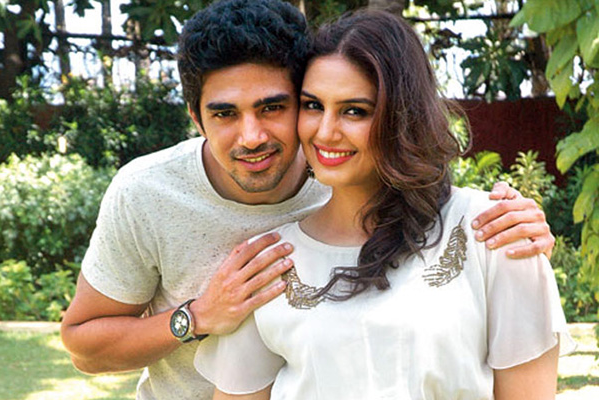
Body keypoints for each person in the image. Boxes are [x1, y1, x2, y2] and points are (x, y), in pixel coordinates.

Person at [60, 1, 557, 399]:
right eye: (225, 114)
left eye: (274, 107)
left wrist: (514, 245)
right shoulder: (148, 193)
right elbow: (84, 346)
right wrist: (200, 316)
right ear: (195, 117)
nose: (252, 137)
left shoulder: (348, 168)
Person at [194, 9, 575, 400]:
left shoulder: (493, 230)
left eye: (355, 111)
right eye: (313, 106)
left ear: (402, 116)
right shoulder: (272, 262)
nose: (326, 132)